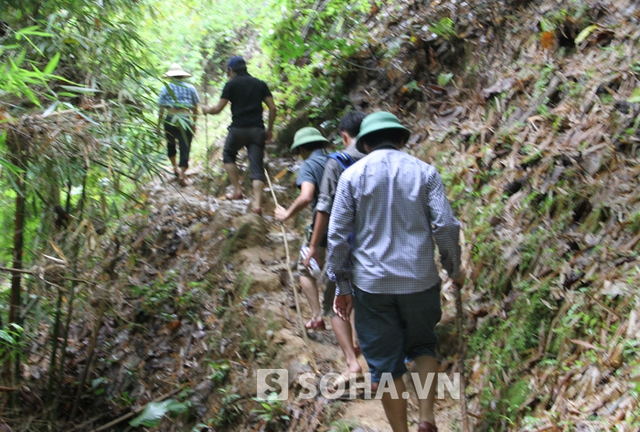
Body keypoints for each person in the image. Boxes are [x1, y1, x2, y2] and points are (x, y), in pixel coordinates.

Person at [326, 112, 465, 432]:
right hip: (420, 279)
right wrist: (454, 269)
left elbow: (337, 237)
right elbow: (445, 225)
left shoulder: (352, 176)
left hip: (372, 287)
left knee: (386, 368)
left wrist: (342, 286)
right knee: (423, 346)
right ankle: (427, 418)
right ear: (402, 140)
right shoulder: (425, 172)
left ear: (365, 144)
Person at [302, 111, 366, 387]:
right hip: (377, 246)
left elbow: (324, 207)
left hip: (344, 244)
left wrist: (313, 246)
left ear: (344, 136)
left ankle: (352, 363)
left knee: (338, 304)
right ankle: (364, 348)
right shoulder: (381, 159)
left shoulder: (337, 162)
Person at [202, 56, 276, 215]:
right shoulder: (260, 84)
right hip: (257, 131)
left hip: (238, 130)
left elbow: (218, 109)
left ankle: (237, 190)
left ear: (231, 70)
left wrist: (206, 109)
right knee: (257, 167)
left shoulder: (231, 85)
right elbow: (272, 108)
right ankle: (256, 204)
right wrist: (269, 130)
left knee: (228, 154)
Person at [274, 127, 329, 330]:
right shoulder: (336, 160)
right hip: (348, 225)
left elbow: (306, 196)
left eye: (299, 151)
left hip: (323, 226)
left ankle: (317, 316)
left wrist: (287, 214)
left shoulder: (309, 165)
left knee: (304, 269)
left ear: (303, 149)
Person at [158, 63, 200, 186]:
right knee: (185, 146)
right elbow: (195, 107)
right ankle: (182, 174)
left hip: (170, 118)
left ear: (171, 77)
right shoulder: (191, 88)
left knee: (170, 144)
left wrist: (158, 124)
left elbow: (161, 108)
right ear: (182, 76)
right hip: (185, 118)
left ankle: (175, 168)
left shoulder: (165, 88)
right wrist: (194, 123)